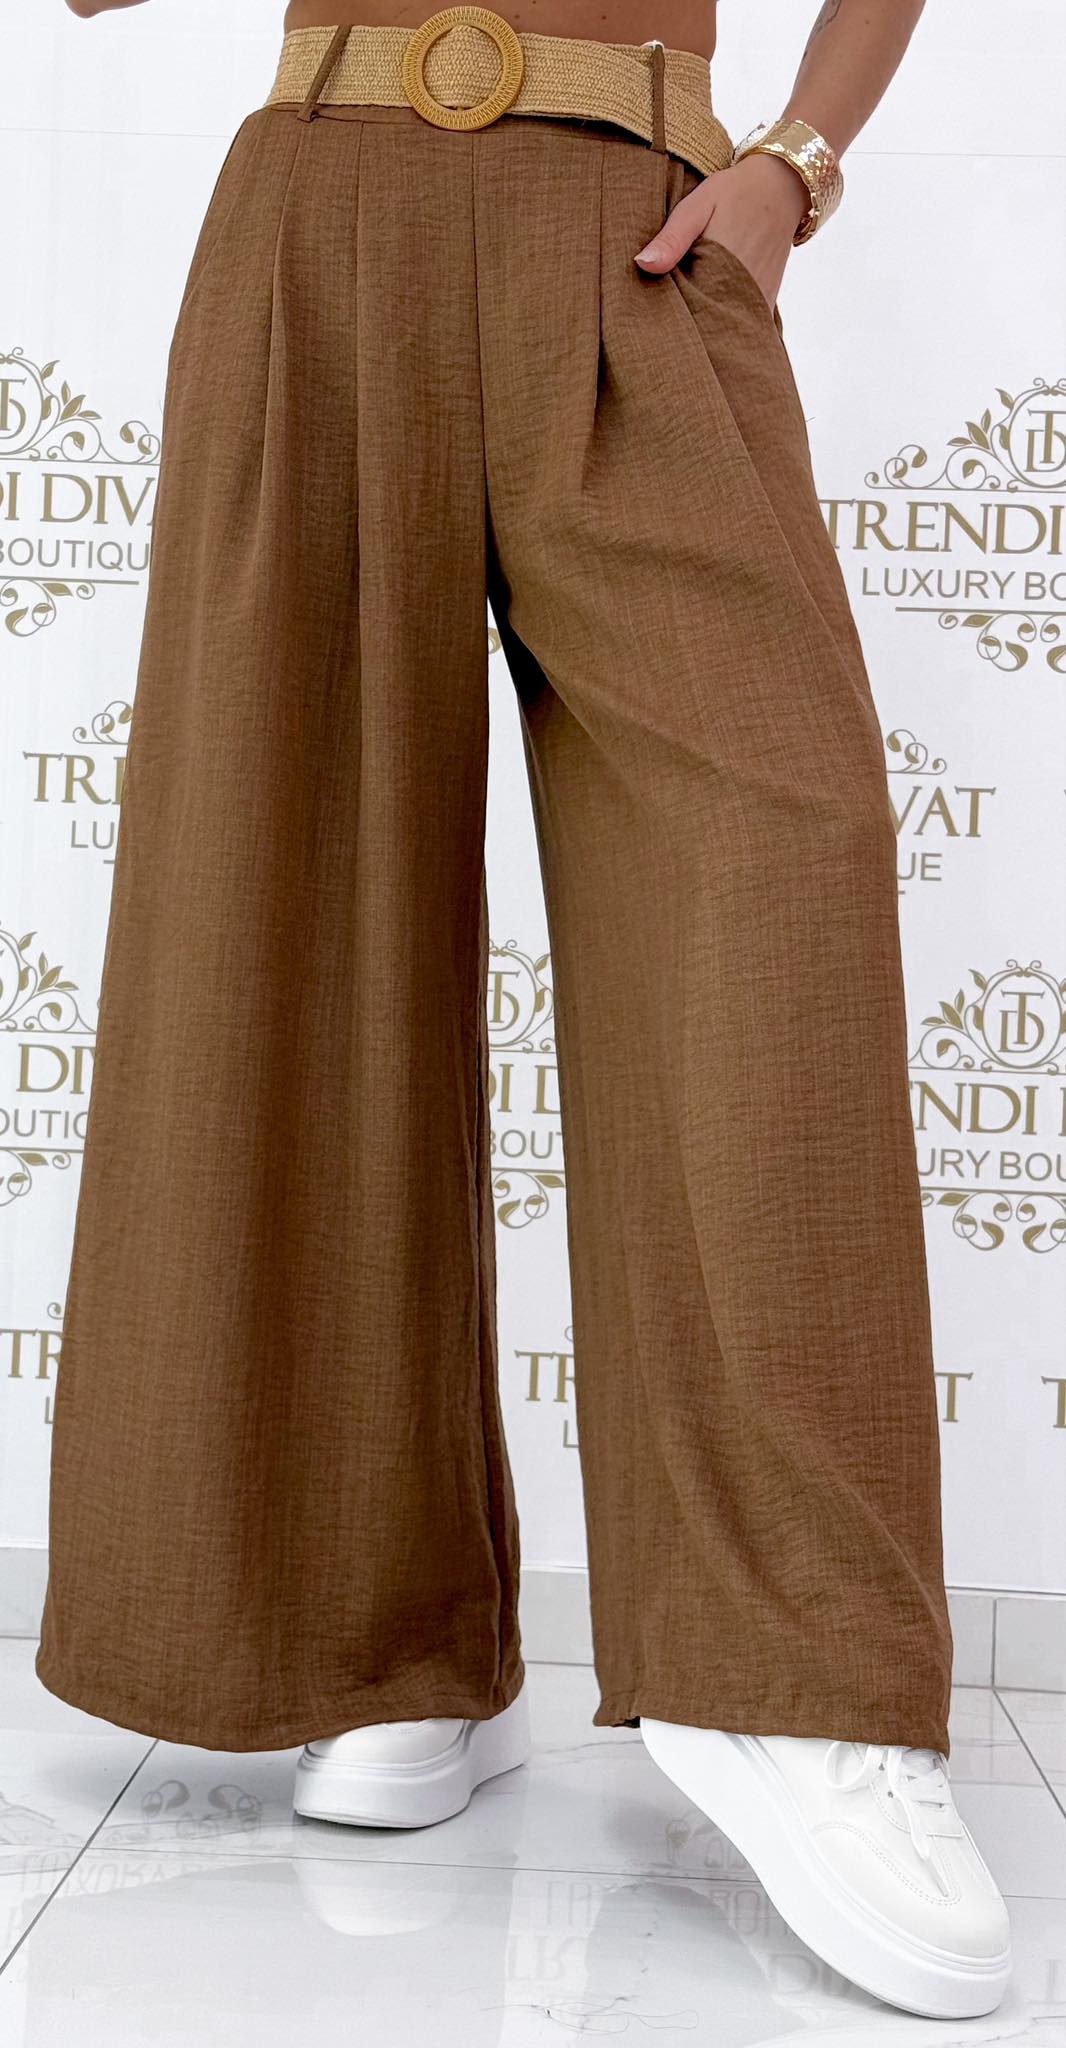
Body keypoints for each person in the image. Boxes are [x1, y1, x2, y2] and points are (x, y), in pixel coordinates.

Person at [43, 0, 1011, 2020]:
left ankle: (791, 1676)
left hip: (642, 229)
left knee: (778, 858)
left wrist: (796, 164)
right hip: (321, 207)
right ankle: (366, 1635)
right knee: (286, 910)